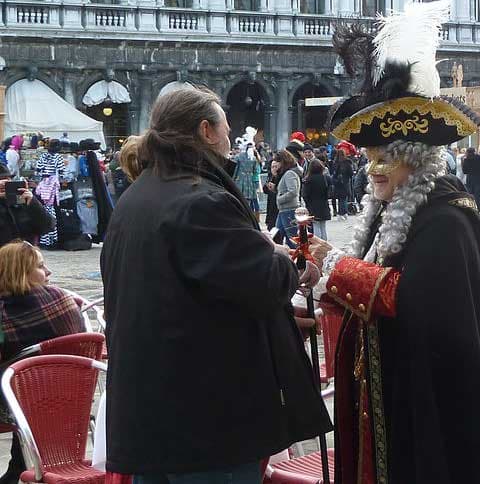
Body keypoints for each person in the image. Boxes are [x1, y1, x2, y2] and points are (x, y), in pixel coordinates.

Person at [314, 5, 480, 482]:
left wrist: (337, 269)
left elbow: (417, 299)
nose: (373, 169)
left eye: (386, 159)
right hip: (387, 387)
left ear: (416, 159)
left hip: (427, 398)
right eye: (370, 158)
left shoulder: (445, 216)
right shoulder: (390, 208)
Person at [100, 86, 331, 480]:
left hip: (152, 414)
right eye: (226, 128)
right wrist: (290, 263)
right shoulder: (200, 200)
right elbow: (261, 283)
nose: (229, 138)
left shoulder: (138, 195)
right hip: (205, 420)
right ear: (206, 131)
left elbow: (195, 293)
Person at [0, 240, 86, 484]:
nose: (48, 272)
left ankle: (18, 467)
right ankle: (19, 465)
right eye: (40, 266)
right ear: (20, 273)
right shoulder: (64, 300)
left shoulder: (3, 314)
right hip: (71, 396)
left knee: (20, 385)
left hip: (14, 404)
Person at [0, 164, 53, 246]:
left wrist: (33, 202)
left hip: (24, 255)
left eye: (7, 179)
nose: (4, 184)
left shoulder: (20, 200)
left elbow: (47, 227)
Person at [273, 150, 302, 240]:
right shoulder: (285, 173)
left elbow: (293, 191)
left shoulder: (290, 174)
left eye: (278, 161)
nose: (276, 163)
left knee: (292, 238)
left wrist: (280, 199)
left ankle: (300, 254)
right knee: (277, 236)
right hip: (284, 210)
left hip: (289, 209)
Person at [301, 158, 331, 240]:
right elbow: (330, 192)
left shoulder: (308, 180)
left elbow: (305, 194)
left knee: (316, 226)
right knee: (323, 227)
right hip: (324, 204)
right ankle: (324, 243)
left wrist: (307, 204)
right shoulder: (326, 178)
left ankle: (318, 243)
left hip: (313, 205)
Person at [462, 144, 480, 216]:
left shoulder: (465, 159)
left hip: (469, 179)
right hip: (478, 179)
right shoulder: (478, 158)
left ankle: (471, 210)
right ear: (474, 152)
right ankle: (478, 211)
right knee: (478, 196)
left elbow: (464, 171)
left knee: (470, 195)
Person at [331, 141, 356, 217]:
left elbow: (333, 172)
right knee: (344, 198)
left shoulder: (335, 162)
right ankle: (343, 212)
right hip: (345, 182)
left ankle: (339, 212)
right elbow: (351, 173)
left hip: (337, 183)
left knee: (339, 198)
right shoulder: (347, 162)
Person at [263, 157, 282, 231]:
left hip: (278, 207)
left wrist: (275, 187)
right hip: (271, 207)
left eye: (275, 167)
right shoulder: (270, 176)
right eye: (272, 167)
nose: (274, 169)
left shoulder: (281, 177)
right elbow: (265, 190)